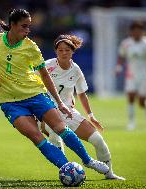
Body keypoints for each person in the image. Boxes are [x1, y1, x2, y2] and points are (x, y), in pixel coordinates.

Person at [0, 8, 109, 176]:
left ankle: (87, 160)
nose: (27, 31)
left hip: (36, 95)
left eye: (29, 27)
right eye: (24, 26)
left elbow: (45, 76)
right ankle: (68, 169)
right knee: (36, 136)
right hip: (11, 102)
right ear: (12, 25)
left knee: (60, 128)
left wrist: (60, 103)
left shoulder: (31, 47)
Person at [38, 34, 125, 180]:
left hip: (69, 112)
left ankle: (109, 174)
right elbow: (30, 80)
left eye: (67, 50)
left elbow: (82, 94)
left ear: (72, 51)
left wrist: (90, 115)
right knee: (55, 137)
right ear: (55, 52)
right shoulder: (47, 66)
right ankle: (66, 171)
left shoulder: (76, 69)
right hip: (47, 112)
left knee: (98, 140)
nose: (64, 53)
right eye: (60, 50)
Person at [116, 21, 146, 130]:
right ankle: (131, 122)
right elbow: (121, 55)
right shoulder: (126, 43)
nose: (137, 33)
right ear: (131, 32)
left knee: (141, 102)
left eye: (139, 31)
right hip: (131, 74)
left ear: (142, 32)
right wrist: (118, 67)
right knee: (130, 96)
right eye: (134, 31)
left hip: (144, 74)